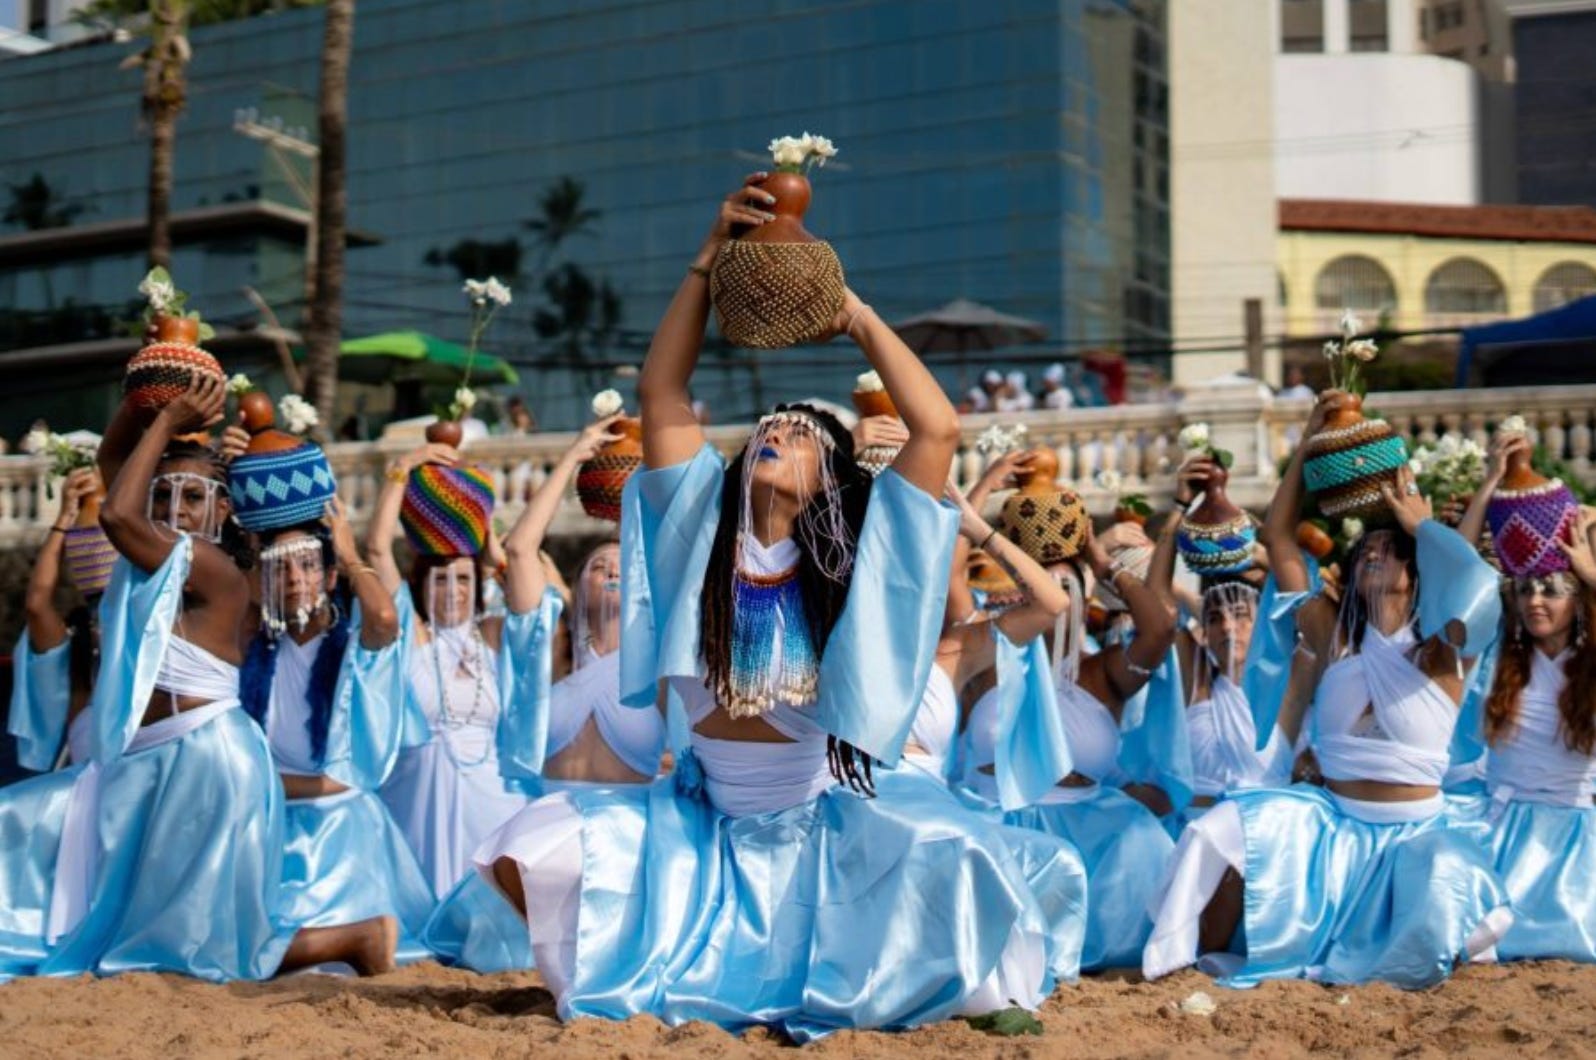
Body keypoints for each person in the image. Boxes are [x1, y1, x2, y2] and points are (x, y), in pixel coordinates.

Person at [478, 174, 1067, 1038]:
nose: (777, 432)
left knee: (959, 851)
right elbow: (662, 395)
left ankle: (976, 999)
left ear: (831, 478)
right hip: (704, 830)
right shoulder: (696, 533)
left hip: (825, 830)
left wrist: (852, 313)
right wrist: (710, 258)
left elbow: (937, 430)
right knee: (528, 844)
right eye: (768, 428)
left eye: (800, 435)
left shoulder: (855, 563)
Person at [2, 378, 388, 982]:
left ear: (223, 508)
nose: (174, 509)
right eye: (162, 495)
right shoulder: (156, 552)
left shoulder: (210, 565)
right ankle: (354, 938)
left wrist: (165, 421)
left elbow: (115, 511)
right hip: (155, 759)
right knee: (169, 930)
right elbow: (114, 469)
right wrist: (144, 396)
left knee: (194, 948)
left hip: (206, 756)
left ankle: (358, 937)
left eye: (191, 496)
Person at [1144, 389, 1512, 990]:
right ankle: (1182, 962)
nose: (1372, 555)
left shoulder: (1443, 648)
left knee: (1451, 877)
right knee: (1222, 827)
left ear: (1416, 570)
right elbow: (1279, 537)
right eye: (1366, 550)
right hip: (1332, 824)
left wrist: (1420, 527)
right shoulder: (1333, 635)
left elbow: (1476, 587)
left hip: (1416, 832)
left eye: (1389, 551)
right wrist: (1309, 440)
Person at [424, 416, 665, 972]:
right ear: (575, 586)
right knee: (519, 857)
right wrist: (574, 454)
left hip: (630, 831)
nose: (610, 571)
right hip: (550, 820)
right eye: (597, 567)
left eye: (622, 566)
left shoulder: (656, 666)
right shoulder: (550, 653)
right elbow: (520, 548)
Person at [955, 456, 1179, 971]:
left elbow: (1160, 630)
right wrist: (979, 501)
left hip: (1092, 833)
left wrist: (1098, 559)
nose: (1055, 600)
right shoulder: (983, 656)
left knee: (1141, 835)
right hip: (998, 820)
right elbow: (949, 587)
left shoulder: (1105, 672)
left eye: (1066, 588)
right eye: (1040, 587)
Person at [239, 502, 435, 971]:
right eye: (280, 568)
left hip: (338, 832)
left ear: (329, 579)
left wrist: (349, 555)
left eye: (307, 565)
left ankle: (358, 938)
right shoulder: (251, 646)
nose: (294, 578)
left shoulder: (353, 650)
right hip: (269, 824)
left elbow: (384, 618)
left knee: (249, 953)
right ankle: (348, 942)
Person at [367, 441, 529, 896]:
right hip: (417, 802)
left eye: (462, 578)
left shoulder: (494, 635)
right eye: (440, 580)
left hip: (493, 802)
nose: (453, 590)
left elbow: (518, 575)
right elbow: (377, 550)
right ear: (421, 585)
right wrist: (402, 468)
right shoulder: (414, 637)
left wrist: (483, 527)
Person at [9, 467, 109, 772]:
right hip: (84, 770)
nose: (93, 545)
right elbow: (37, 603)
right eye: (83, 535)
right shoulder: (77, 630)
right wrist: (64, 519)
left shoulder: (158, 615)